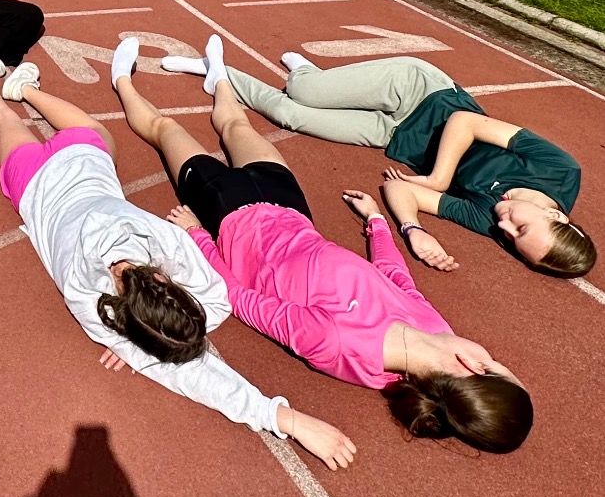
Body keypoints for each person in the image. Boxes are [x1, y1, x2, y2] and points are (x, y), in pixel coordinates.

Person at [0, 48, 355, 468]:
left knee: (92, 129)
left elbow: (215, 296)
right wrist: (132, 346)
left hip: (84, 159)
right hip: (33, 186)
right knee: (4, 120)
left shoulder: (160, 238)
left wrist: (286, 417)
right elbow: (186, 373)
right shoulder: (87, 302)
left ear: (166, 281)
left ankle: (19, 84)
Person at [133, 37, 533, 453]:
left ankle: (122, 82)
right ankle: (218, 77)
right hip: (291, 209)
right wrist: (377, 222)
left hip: (232, 217)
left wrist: (199, 235)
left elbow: (242, 299)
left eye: (494, 362)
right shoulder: (436, 333)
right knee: (238, 127)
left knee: (167, 130)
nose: (487, 351)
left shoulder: (338, 343)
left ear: (473, 366)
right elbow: (399, 284)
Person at [164, 49, 595, 279]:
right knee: (307, 94)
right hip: (420, 93)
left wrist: (414, 229)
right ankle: (307, 74)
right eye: (521, 228)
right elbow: (466, 122)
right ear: (556, 213)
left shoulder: (491, 220)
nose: (505, 228)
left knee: (292, 116)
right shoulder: (559, 170)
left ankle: (218, 74)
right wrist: (441, 179)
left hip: (396, 139)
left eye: (511, 241)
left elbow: (399, 190)